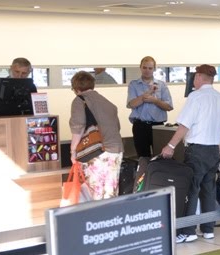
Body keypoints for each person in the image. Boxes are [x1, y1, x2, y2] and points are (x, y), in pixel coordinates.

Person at [160, 64, 220, 243]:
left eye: (195, 76)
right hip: (213, 151)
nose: (194, 80)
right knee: (208, 190)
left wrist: (170, 145)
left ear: (200, 77)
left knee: (191, 191)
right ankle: (208, 229)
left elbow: (185, 125)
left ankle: (188, 231)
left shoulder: (195, 97)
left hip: (196, 151)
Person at [69, 70, 123, 200]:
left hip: (96, 152)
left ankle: (96, 219)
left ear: (76, 88)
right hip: (115, 150)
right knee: (110, 190)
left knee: (95, 192)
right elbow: (118, 127)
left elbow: (78, 127)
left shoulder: (79, 100)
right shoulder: (109, 104)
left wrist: (72, 151)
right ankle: (111, 218)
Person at [126, 56, 173, 157]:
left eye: (150, 68)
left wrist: (155, 101)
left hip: (158, 126)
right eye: (145, 67)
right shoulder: (133, 85)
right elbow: (131, 104)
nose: (147, 70)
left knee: (160, 157)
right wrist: (144, 96)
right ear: (140, 68)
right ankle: (143, 173)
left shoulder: (161, 85)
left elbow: (169, 107)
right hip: (140, 126)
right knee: (143, 157)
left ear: (154, 69)